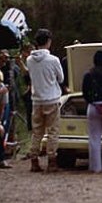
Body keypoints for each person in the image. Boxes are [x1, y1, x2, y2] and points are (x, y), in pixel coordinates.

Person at [25, 29, 65, 172]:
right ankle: (52, 160)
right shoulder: (53, 60)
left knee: (37, 131)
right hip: (52, 98)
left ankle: (34, 160)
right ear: (48, 41)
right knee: (53, 131)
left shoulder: (29, 60)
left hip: (36, 99)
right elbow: (61, 78)